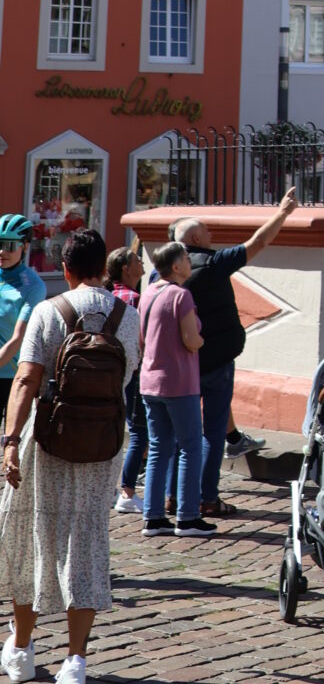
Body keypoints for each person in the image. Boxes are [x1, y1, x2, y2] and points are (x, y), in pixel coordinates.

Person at [0, 227, 141, 684]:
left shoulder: (49, 311)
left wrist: (8, 441)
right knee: (86, 543)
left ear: (65, 268)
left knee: (30, 539)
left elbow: (25, 381)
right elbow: (125, 377)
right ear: (104, 267)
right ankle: (75, 662)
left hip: (48, 442)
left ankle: (21, 650)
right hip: (102, 446)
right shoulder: (128, 315)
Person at [170, 186, 298, 517]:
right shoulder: (212, 263)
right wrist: (282, 213)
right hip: (214, 362)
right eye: (208, 231)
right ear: (196, 237)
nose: (212, 235)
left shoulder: (165, 270)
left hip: (180, 365)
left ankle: (171, 496)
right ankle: (207, 498)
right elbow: (258, 243)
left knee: (176, 434)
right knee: (212, 432)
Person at [138, 242, 211, 540]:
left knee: (158, 449)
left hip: (150, 381)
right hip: (179, 382)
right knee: (191, 447)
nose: (189, 261)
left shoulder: (149, 293)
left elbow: (142, 338)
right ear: (175, 265)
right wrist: (203, 341)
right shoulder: (181, 295)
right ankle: (188, 516)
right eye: (185, 257)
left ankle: (153, 517)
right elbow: (191, 339)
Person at [106, 247, 147, 514]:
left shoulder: (111, 295)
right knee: (139, 432)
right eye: (136, 259)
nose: (142, 261)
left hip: (111, 373)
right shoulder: (133, 299)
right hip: (132, 373)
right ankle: (127, 491)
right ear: (125, 269)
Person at [0, 218, 44, 442]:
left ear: (25, 246)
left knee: (11, 445)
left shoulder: (32, 286)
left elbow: (18, 338)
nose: (1, 251)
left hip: (14, 376)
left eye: (9, 245)